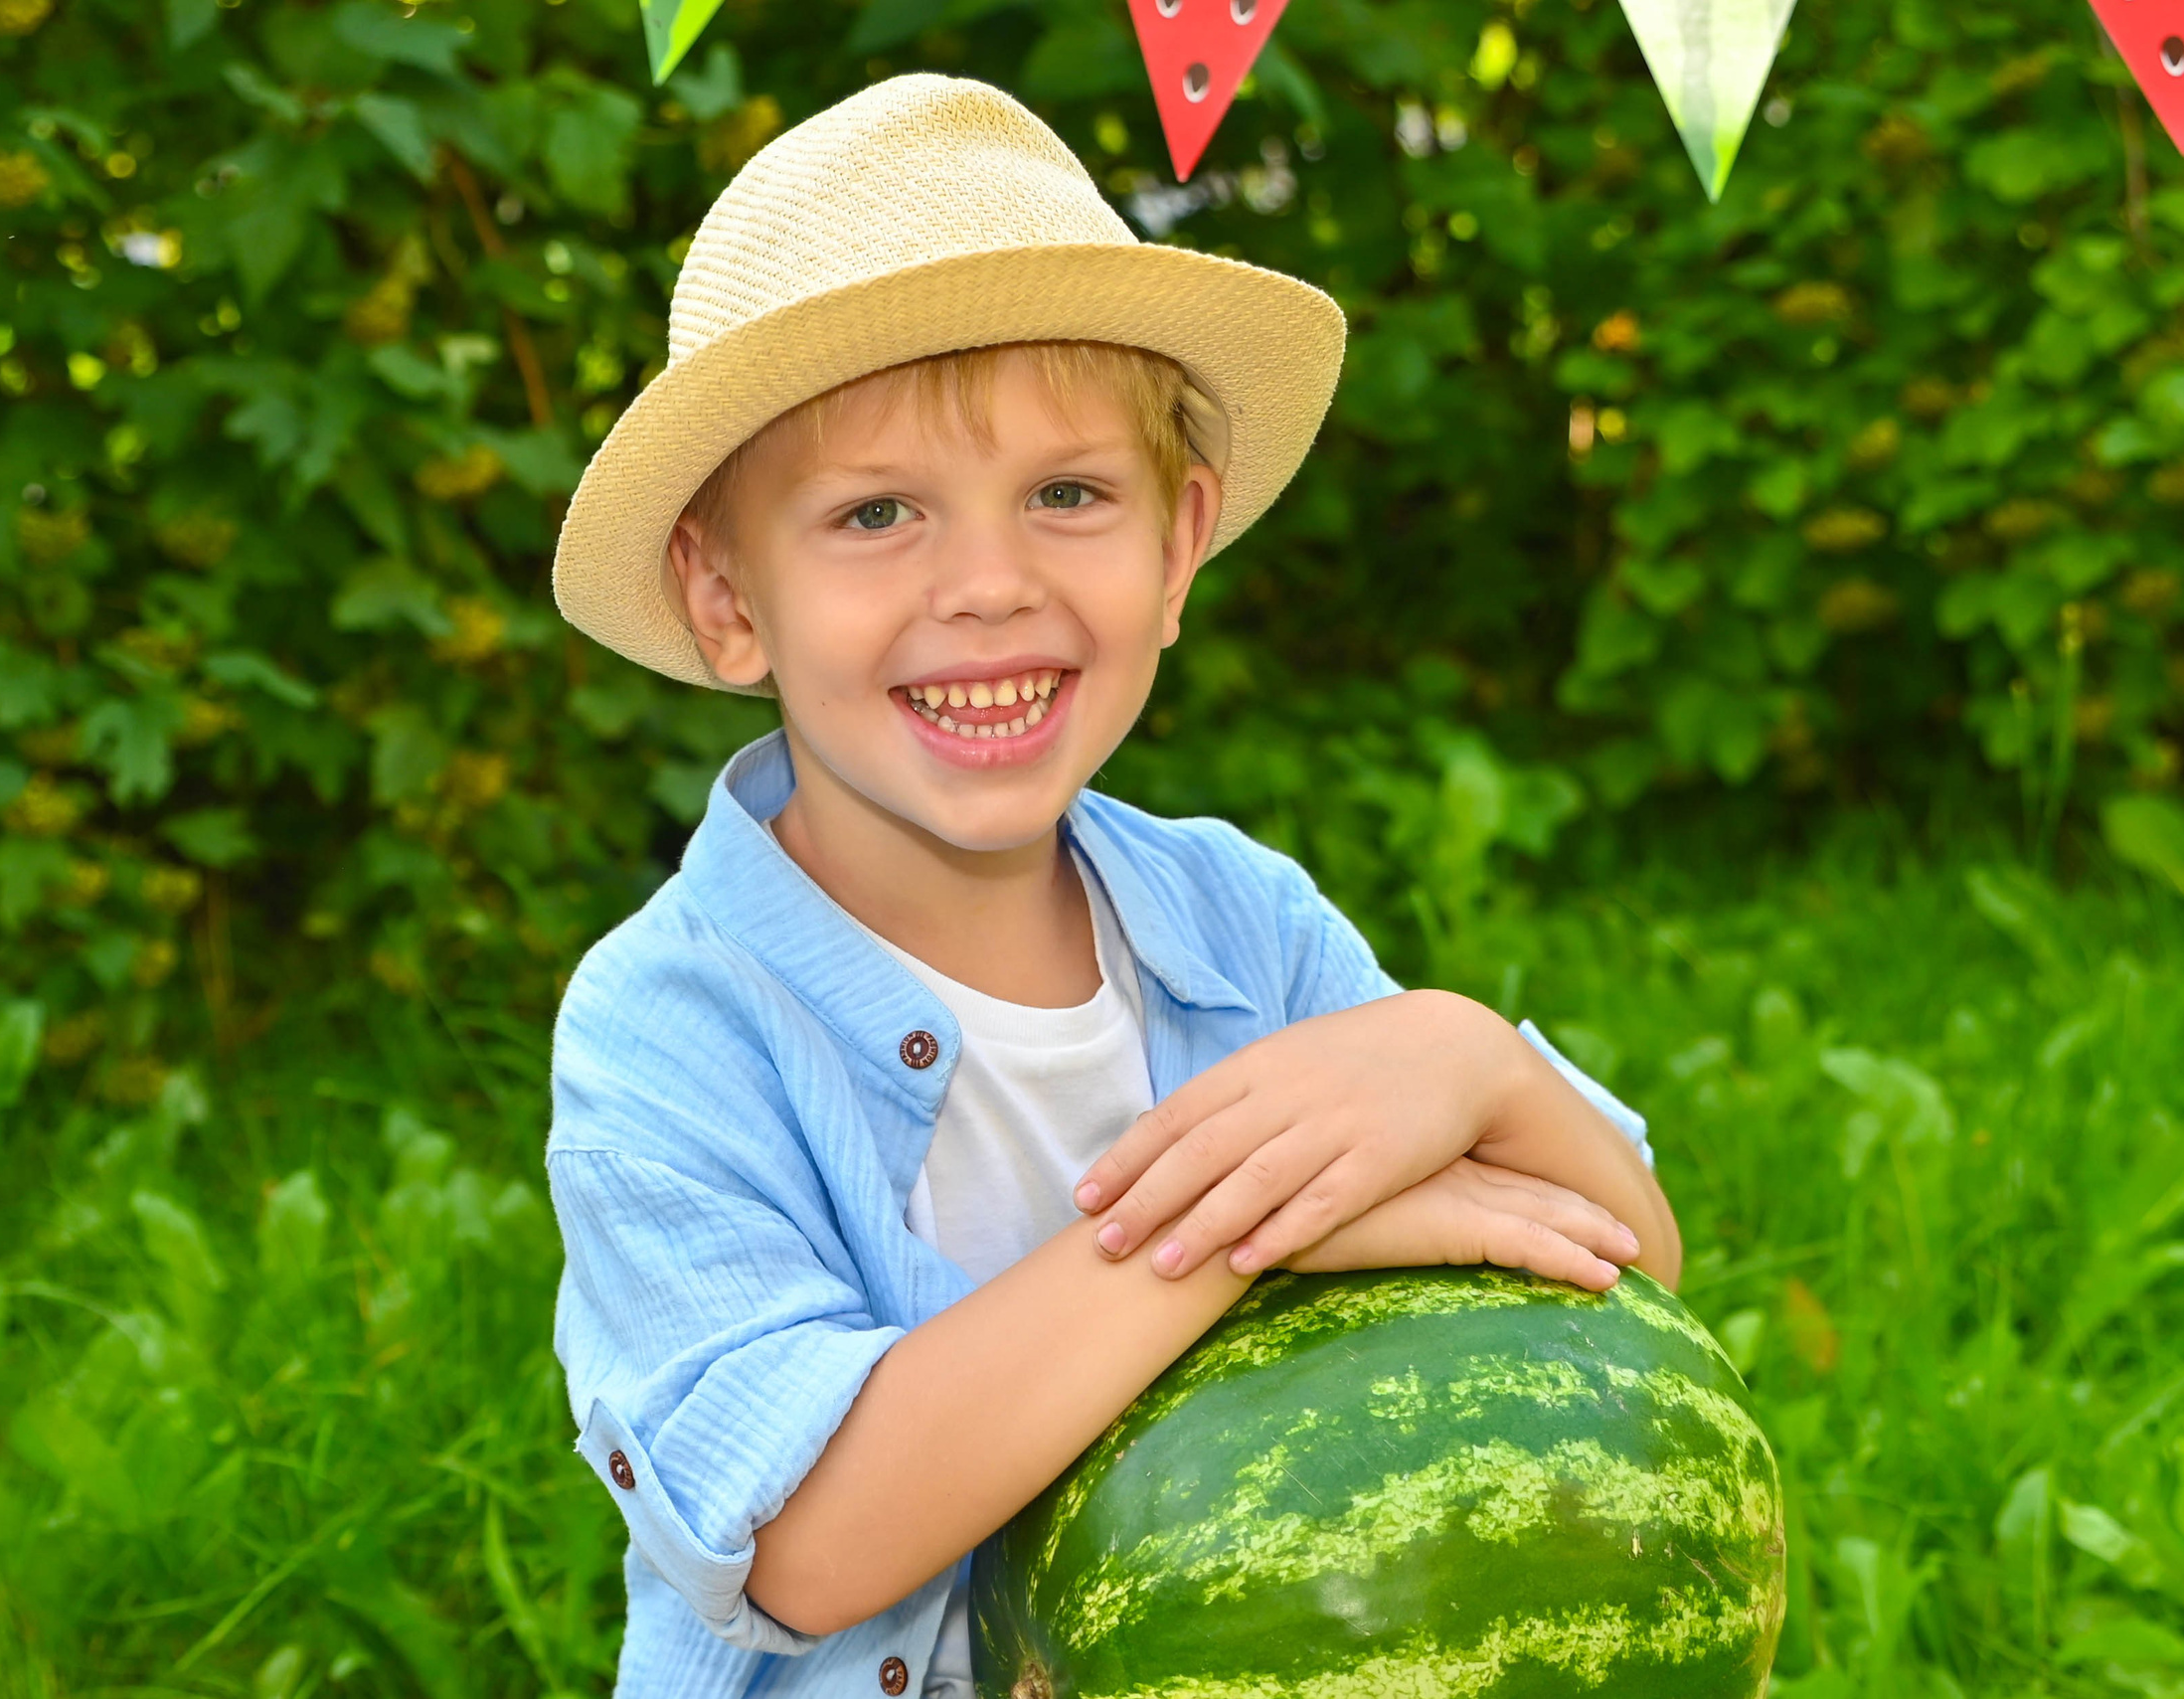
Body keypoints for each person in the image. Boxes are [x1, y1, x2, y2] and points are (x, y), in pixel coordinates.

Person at [542, 73, 1680, 1698]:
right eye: (876, 513)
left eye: (1068, 496)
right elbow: (804, 1540)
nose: (990, 583)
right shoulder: (671, 1031)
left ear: (1177, 547)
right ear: (730, 603)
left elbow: (1620, 1262)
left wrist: (1466, 1055)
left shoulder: (1245, 923)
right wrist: (1244, 1239)